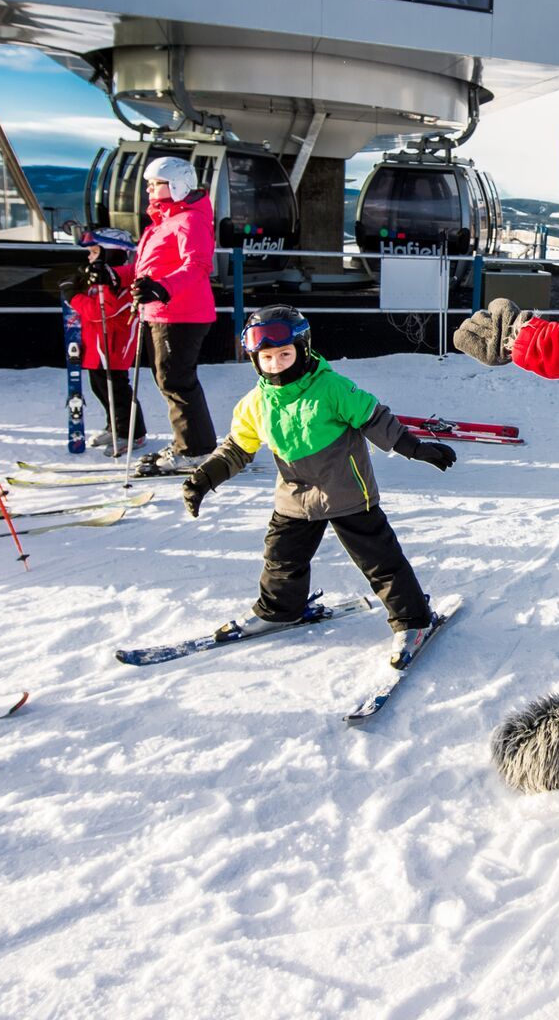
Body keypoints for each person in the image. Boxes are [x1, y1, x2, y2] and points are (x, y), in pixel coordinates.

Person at [180, 306, 453, 662]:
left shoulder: (330, 387)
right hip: (295, 495)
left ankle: (413, 620)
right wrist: (204, 478)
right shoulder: (255, 404)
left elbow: (373, 417)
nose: (276, 364)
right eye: (266, 357)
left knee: (380, 560)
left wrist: (414, 448)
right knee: (281, 559)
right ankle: (279, 610)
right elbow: (237, 447)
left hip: (347, 491)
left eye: (285, 354)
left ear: (303, 349)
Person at [131, 156, 219, 475]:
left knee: (176, 380)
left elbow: (198, 265)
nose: (149, 189)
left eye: (155, 184)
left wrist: (161, 289)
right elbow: (150, 267)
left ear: (177, 186)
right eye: (149, 184)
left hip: (181, 313)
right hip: (162, 312)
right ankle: (192, 443)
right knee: (169, 379)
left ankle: (194, 449)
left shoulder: (190, 220)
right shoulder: (165, 221)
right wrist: (118, 277)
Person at [63, 224, 144, 456]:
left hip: (113, 347)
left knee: (117, 392)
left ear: (110, 254)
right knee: (100, 389)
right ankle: (114, 426)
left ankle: (132, 433)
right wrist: (80, 284)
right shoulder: (100, 279)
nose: (89, 257)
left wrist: (74, 297)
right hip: (96, 346)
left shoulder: (121, 282)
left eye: (94, 252)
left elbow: (101, 311)